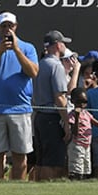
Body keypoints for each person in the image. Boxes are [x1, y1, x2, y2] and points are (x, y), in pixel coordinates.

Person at [0, 11, 39, 181]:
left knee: (20, 155)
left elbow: (33, 72)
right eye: (4, 26)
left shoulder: (28, 48)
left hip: (20, 109)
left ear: (16, 27)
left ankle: (17, 189)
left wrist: (17, 50)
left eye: (10, 26)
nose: (7, 29)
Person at [33, 30, 73, 181]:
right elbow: (60, 97)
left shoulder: (40, 64)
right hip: (51, 118)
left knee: (42, 159)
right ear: (57, 45)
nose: (64, 46)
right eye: (63, 43)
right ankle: (47, 191)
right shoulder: (56, 66)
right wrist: (67, 123)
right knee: (53, 161)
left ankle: (40, 189)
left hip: (40, 117)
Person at [67, 88, 98, 179]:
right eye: (79, 102)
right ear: (72, 101)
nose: (82, 105)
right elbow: (74, 132)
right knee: (77, 167)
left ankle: (84, 183)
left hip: (87, 145)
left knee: (86, 168)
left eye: (84, 102)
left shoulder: (87, 114)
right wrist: (77, 116)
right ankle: (75, 181)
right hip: (77, 144)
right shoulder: (72, 115)